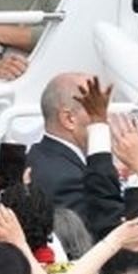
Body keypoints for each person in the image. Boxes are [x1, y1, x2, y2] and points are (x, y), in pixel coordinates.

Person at [26, 73, 124, 252]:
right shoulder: (66, 177)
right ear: (69, 119)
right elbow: (98, 234)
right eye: (96, 111)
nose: (105, 120)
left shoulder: (39, 155)